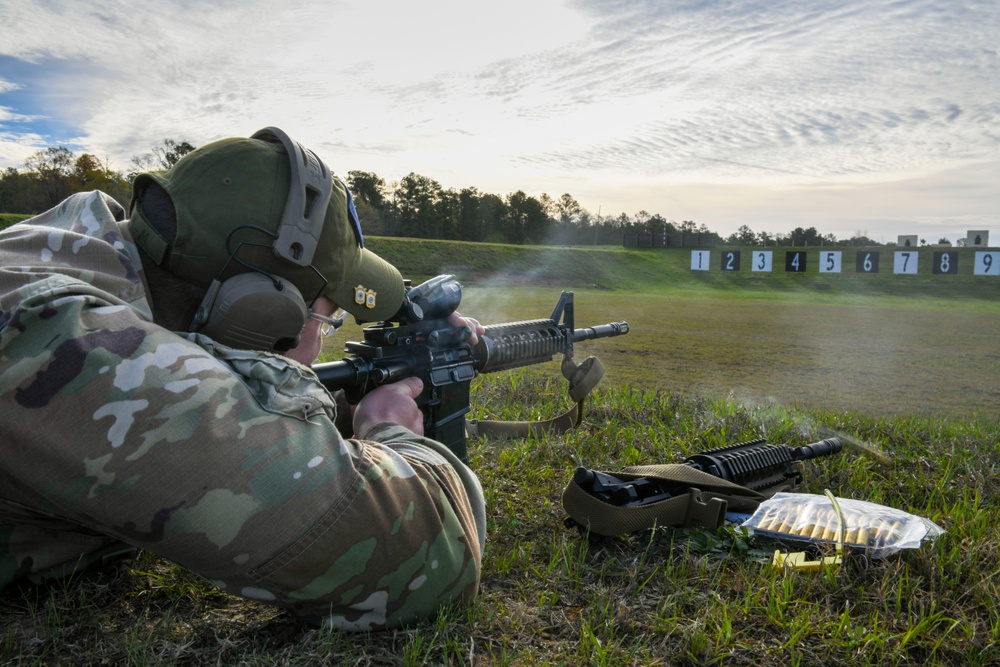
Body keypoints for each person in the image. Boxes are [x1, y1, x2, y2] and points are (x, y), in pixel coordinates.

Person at [0, 127, 486, 631]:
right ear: (259, 314)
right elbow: (425, 561)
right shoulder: (74, 346)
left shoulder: (77, 248)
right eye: (327, 319)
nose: (323, 340)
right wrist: (391, 429)